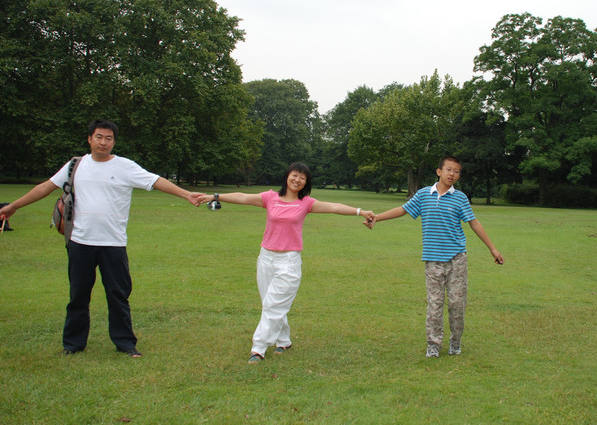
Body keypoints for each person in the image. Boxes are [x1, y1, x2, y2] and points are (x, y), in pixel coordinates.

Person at [0, 120, 203, 357]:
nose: (103, 142)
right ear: (89, 139)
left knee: (118, 295)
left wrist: (186, 194)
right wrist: (13, 206)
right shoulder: (76, 165)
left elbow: (155, 181)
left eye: (108, 138)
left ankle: (125, 343)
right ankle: (73, 345)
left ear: (114, 142)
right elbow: (46, 187)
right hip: (80, 242)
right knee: (78, 295)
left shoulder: (125, 166)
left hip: (113, 243)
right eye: (99, 137)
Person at [196, 162, 375, 364]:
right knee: (270, 303)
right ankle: (284, 340)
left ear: (306, 183)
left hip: (288, 261)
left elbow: (334, 207)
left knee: (273, 305)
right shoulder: (270, 198)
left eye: (302, 178)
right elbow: (243, 197)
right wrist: (215, 196)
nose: (297, 180)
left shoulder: (306, 203)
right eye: (294, 175)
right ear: (287, 176)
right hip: (266, 258)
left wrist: (360, 211)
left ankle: (258, 348)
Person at [365, 156, 504, 358]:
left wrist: (492, 249)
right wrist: (377, 217)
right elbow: (402, 210)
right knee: (434, 305)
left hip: (457, 259)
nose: (452, 174)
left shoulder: (460, 198)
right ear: (439, 171)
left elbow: (474, 223)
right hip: (432, 261)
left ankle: (455, 343)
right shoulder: (423, 195)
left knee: (457, 304)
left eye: (456, 171)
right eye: (448, 169)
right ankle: (433, 345)